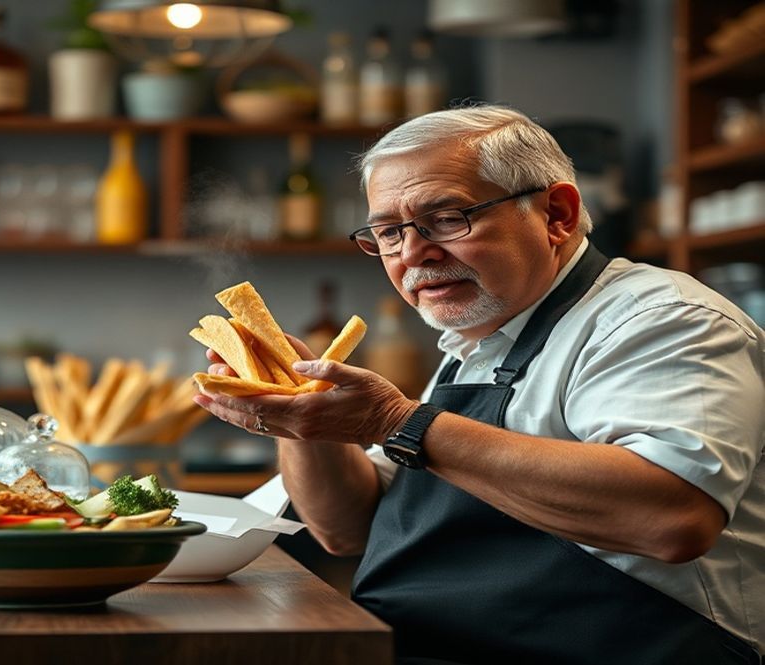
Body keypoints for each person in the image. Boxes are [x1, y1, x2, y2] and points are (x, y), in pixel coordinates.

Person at [194, 104, 764, 664]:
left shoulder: (660, 319)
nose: (413, 253)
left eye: (447, 218)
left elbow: (672, 518)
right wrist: (298, 412)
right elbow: (346, 529)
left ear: (557, 214)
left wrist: (397, 421)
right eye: (388, 233)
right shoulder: (476, 342)